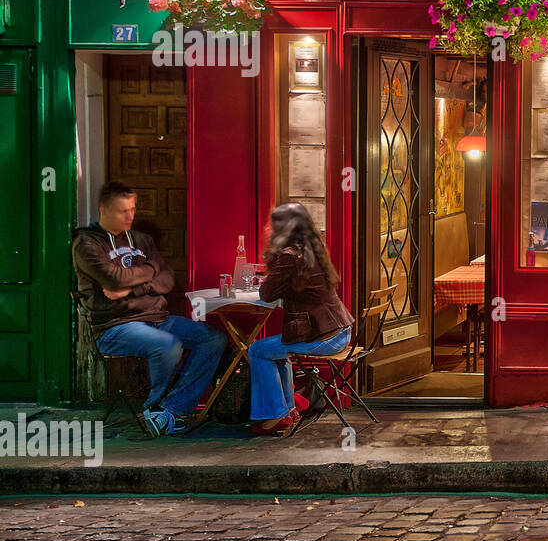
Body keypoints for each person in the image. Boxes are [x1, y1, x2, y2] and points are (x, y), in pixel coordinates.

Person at [72, 181, 226, 437]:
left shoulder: (142, 240)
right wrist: (146, 274)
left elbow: (167, 279)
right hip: (116, 326)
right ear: (103, 210)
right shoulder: (87, 244)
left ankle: (171, 410)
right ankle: (154, 408)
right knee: (167, 345)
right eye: (123, 211)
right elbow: (113, 279)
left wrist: (132, 287)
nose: (130, 216)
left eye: (132, 209)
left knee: (213, 339)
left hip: (157, 319)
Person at [249, 203, 354, 437]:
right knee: (275, 350)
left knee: (258, 349)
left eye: (272, 223)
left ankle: (277, 414)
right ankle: (287, 410)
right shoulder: (312, 250)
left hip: (325, 337)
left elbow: (266, 294)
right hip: (339, 331)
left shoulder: (289, 256)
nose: (267, 227)